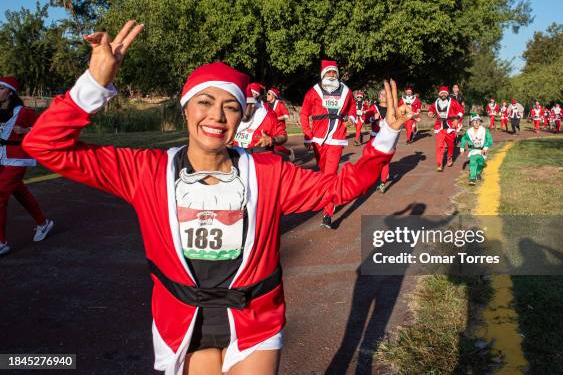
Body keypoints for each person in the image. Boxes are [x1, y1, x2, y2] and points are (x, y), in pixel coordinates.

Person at [22, 21, 410, 375]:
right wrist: (93, 83)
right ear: (186, 108)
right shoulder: (145, 170)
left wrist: (386, 136)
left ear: (241, 118)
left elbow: (341, 187)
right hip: (183, 319)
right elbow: (44, 146)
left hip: (255, 317)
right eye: (204, 102)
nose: (217, 116)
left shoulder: (268, 173)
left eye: (230, 107)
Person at [300, 60, 357, 229]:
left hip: (336, 139)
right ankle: (327, 194)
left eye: (334, 73)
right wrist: (308, 136)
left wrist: (351, 119)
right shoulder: (313, 92)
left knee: (330, 175)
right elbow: (304, 114)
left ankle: (327, 212)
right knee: (323, 173)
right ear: (323, 75)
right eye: (329, 72)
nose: (332, 75)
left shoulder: (346, 91)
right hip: (318, 139)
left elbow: (352, 108)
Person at [0, 76, 54, 256]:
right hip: (1, 159)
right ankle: (43, 222)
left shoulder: (24, 112)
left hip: (17, 159)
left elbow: (46, 127)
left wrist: (26, 131)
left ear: (10, 93)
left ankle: (1, 242)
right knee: (19, 191)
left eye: (1, 89)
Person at [233, 83, 287, 153]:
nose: (243, 109)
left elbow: (283, 136)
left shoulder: (269, 116)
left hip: (259, 156)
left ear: (253, 104)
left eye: (247, 105)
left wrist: (271, 140)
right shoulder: (232, 112)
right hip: (234, 155)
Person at [428, 86, 464, 171]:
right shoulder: (436, 103)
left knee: (451, 145)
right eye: (441, 93)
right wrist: (430, 113)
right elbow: (431, 109)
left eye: (445, 93)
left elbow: (461, 111)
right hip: (439, 127)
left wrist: (457, 119)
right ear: (439, 94)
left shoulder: (453, 102)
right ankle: (439, 165)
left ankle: (449, 157)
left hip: (450, 126)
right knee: (439, 146)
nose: (443, 94)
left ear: (447, 94)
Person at [460, 115, 492, 185]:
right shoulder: (469, 132)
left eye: (478, 121)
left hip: (481, 151)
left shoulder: (484, 130)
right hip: (473, 150)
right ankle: (472, 178)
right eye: (475, 121)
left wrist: (485, 148)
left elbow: (490, 140)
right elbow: (463, 139)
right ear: (471, 123)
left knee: (481, 164)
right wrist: (462, 148)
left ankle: (478, 173)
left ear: (480, 122)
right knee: (473, 163)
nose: (476, 123)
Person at [265, 87, 295, 161]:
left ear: (274, 96)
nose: (267, 95)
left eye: (269, 94)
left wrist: (277, 118)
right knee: (268, 145)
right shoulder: (266, 105)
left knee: (274, 146)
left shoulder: (280, 104)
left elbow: (286, 115)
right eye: (266, 94)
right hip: (269, 128)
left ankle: (289, 152)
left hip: (279, 128)